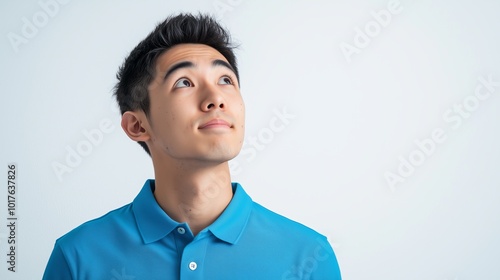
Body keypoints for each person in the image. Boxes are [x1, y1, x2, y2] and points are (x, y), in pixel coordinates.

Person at [43, 13, 342, 279]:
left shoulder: (308, 257)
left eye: (225, 79)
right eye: (184, 82)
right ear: (137, 126)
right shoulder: (77, 257)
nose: (216, 97)